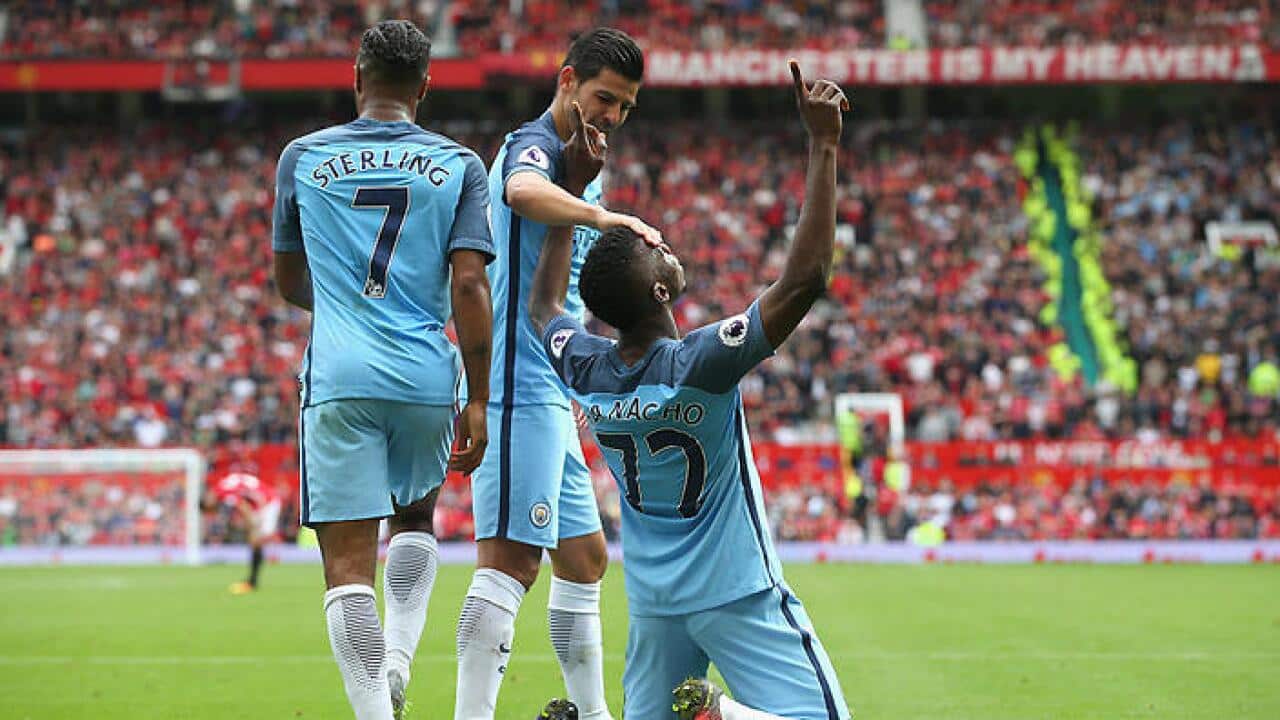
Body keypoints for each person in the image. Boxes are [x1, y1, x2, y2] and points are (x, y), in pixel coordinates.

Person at [529, 62, 851, 720]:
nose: (663, 244)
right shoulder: (702, 362)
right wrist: (823, 145)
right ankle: (721, 716)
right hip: (736, 591)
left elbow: (542, 312)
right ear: (659, 290)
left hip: (654, 601)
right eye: (654, 248)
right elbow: (805, 279)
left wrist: (570, 198)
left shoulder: (586, 368)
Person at [271, 19, 494, 720]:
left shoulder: (302, 157)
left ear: (356, 79)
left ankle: (376, 709)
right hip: (428, 376)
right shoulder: (460, 165)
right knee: (417, 515)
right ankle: (398, 659)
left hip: (339, 378)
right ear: (426, 87)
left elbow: (286, 279)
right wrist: (480, 400)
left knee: (345, 571)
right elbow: (469, 287)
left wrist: (342, 299)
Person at [457, 27, 659, 720]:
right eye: (605, 97)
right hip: (514, 382)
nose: (613, 116)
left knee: (584, 557)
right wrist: (603, 215)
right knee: (511, 561)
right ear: (568, 79)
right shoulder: (536, 144)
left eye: (627, 107)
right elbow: (519, 191)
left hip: (550, 388)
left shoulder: (580, 162)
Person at [201, 469, 281, 595]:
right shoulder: (222, 485)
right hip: (261, 501)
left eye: (211, 509)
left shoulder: (223, 493)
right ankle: (252, 581)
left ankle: (252, 581)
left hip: (268, 503)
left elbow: (243, 506)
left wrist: (252, 524)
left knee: (257, 540)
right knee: (255, 541)